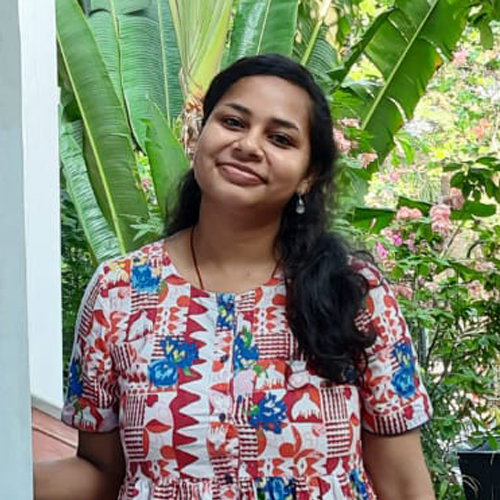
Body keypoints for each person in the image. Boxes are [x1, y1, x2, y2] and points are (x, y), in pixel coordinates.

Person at [35, 54, 435, 500]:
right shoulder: (121, 292)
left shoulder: (354, 293)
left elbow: (403, 485)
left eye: (280, 138)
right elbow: (101, 472)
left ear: (308, 176)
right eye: (232, 122)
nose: (248, 145)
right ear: (199, 134)